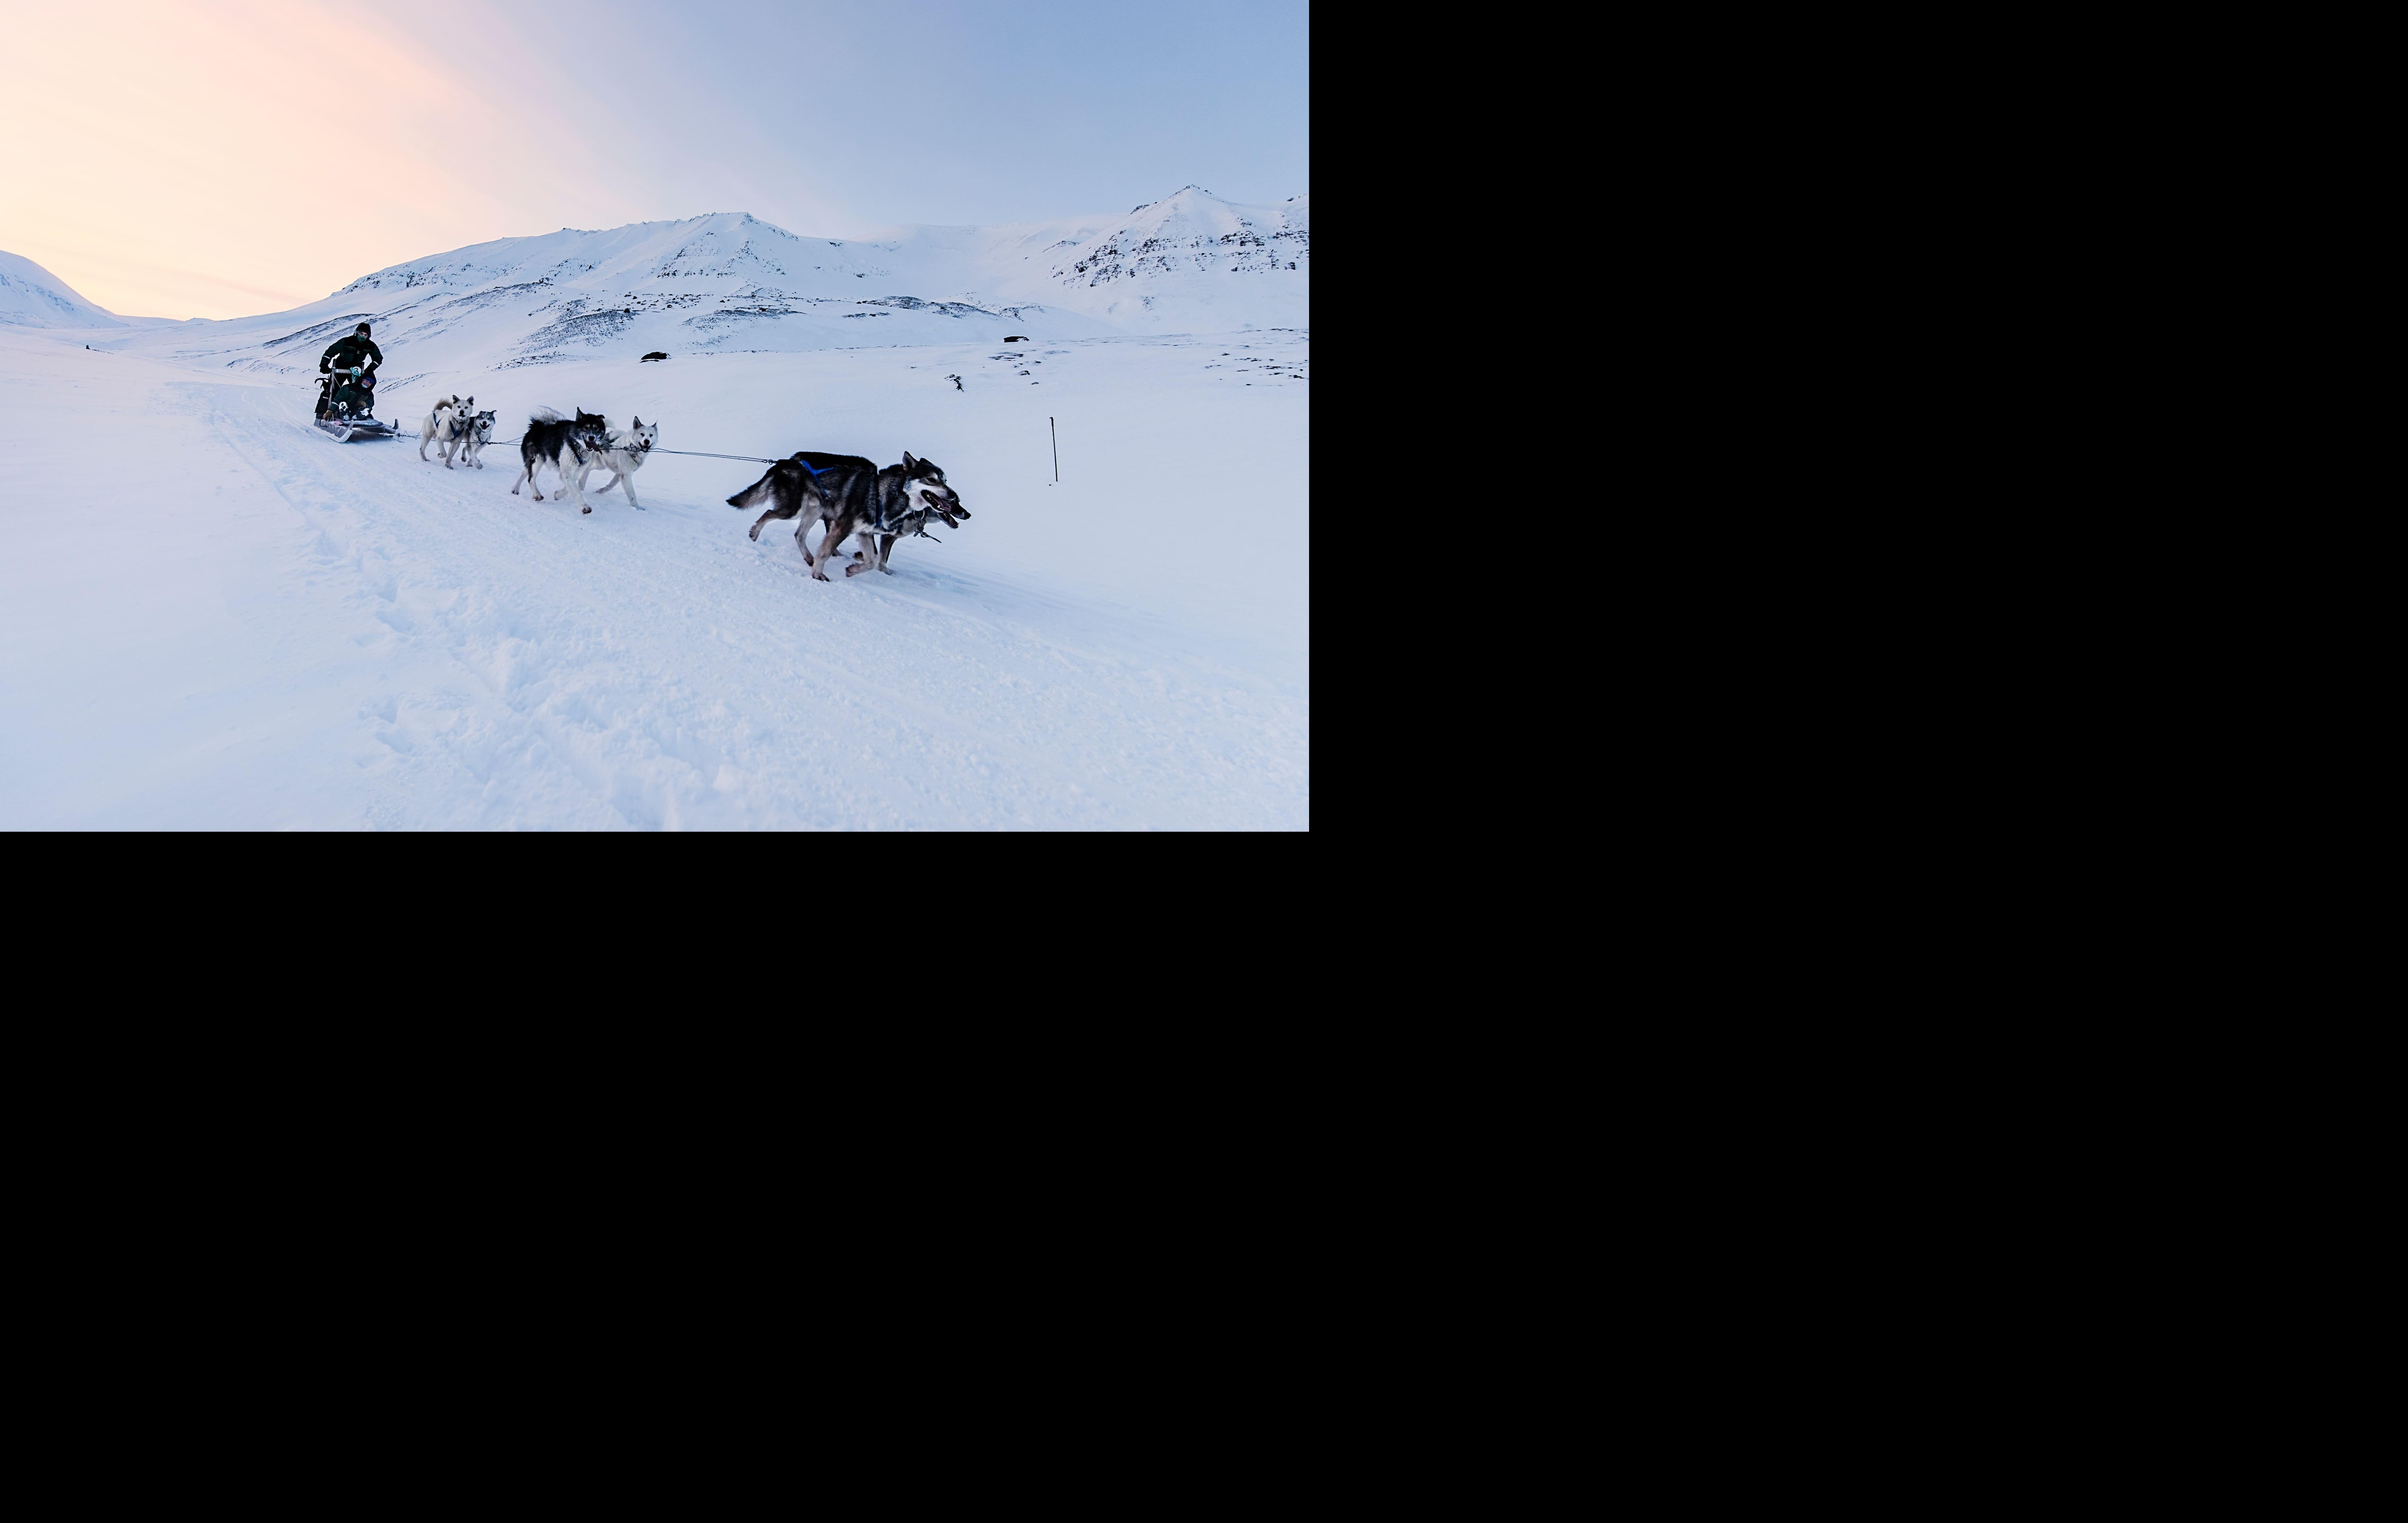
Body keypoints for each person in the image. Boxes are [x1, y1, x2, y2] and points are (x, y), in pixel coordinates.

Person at [318, 322, 384, 419]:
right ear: (357, 333)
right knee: (333, 390)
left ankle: (354, 412)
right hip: (340, 367)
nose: (363, 337)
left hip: (355, 371)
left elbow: (378, 359)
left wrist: (369, 370)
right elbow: (331, 351)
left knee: (358, 391)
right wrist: (324, 365)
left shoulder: (370, 346)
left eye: (366, 335)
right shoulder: (347, 341)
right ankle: (324, 412)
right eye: (362, 334)